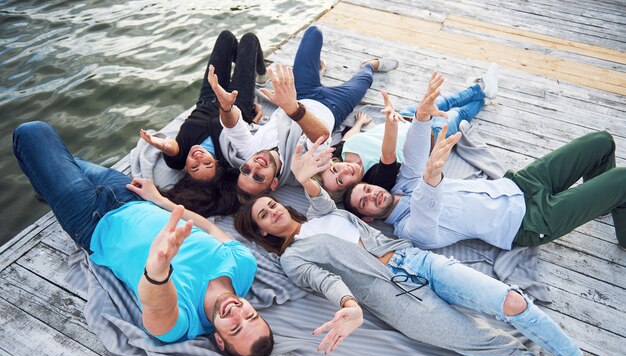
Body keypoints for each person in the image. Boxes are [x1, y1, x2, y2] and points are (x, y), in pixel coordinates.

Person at [234, 139, 626, 356]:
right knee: (505, 354)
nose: (271, 212)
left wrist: (305, 177)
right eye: (263, 217)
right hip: (402, 302)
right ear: (264, 233)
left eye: (271, 204)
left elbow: (318, 195)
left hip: (417, 261)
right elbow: (326, 282)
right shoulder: (294, 259)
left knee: (514, 302)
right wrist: (349, 307)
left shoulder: (322, 214)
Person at [13, 121, 273, 356]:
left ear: (219, 340)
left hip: (92, 221)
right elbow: (211, 227)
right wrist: (159, 199)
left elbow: (156, 304)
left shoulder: (181, 325)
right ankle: (47, 188)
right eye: (250, 316)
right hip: (131, 196)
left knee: (32, 134)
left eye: (235, 328)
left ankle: (48, 188)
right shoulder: (244, 266)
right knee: (65, 163)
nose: (237, 313)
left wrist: (158, 268)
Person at [344, 73, 626, 251]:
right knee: (623, 179)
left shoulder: (404, 184)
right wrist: (431, 180)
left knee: (601, 142)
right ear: (368, 217)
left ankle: (604, 202)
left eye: (366, 189)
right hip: (528, 221)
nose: (372, 194)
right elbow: (427, 213)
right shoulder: (410, 231)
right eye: (365, 202)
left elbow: (416, 152)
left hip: (519, 184)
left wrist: (421, 116)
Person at [211, 25, 399, 201]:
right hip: (333, 106)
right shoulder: (299, 169)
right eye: (258, 177)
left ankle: (316, 70)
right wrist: (291, 108)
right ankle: (369, 64)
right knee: (365, 78)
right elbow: (321, 136)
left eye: (246, 170)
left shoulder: (250, 153)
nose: (255, 167)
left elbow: (233, 126)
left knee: (313, 33)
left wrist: (226, 107)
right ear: (274, 183)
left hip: (300, 92)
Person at [314, 64, 498, 200]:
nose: (344, 170)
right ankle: (484, 97)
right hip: (429, 136)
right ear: (346, 190)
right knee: (458, 114)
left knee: (443, 101)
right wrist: (389, 122)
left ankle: (480, 88)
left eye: (335, 169)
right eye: (340, 180)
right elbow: (388, 153)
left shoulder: (340, 154)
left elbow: (347, 139)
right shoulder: (374, 179)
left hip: (406, 117)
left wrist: (359, 124)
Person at [139, 30, 266, 182]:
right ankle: (261, 72)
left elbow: (171, 148)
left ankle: (242, 61)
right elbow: (244, 138)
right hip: (237, 104)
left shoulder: (177, 160)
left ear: (185, 169)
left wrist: (161, 144)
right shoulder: (227, 158)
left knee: (226, 38)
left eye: (194, 167)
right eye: (207, 164)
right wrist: (254, 120)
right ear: (217, 164)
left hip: (208, 100)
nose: (199, 158)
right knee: (249, 39)